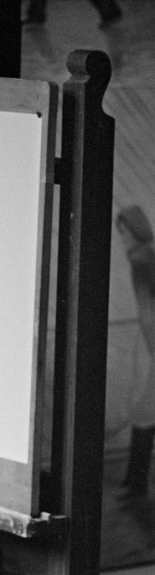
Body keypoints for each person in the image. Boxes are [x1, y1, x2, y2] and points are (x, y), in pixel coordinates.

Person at [115, 205, 155, 501]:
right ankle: (135, 482)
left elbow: (148, 311)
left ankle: (135, 483)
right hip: (149, 340)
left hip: (151, 342)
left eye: (124, 232)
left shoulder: (140, 258)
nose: (122, 238)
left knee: (144, 411)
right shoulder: (151, 252)